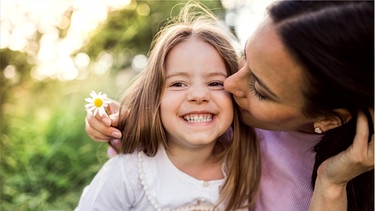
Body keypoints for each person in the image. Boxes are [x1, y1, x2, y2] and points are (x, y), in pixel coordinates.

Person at [85, 1, 374, 210]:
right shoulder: (230, 119)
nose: (229, 84)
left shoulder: (348, 173)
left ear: (329, 118)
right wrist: (122, 121)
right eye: (244, 56)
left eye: (259, 89)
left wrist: (332, 184)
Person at [77, 3, 260, 211]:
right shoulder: (127, 174)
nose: (198, 96)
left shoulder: (242, 167)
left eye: (215, 83)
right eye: (178, 84)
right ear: (154, 98)